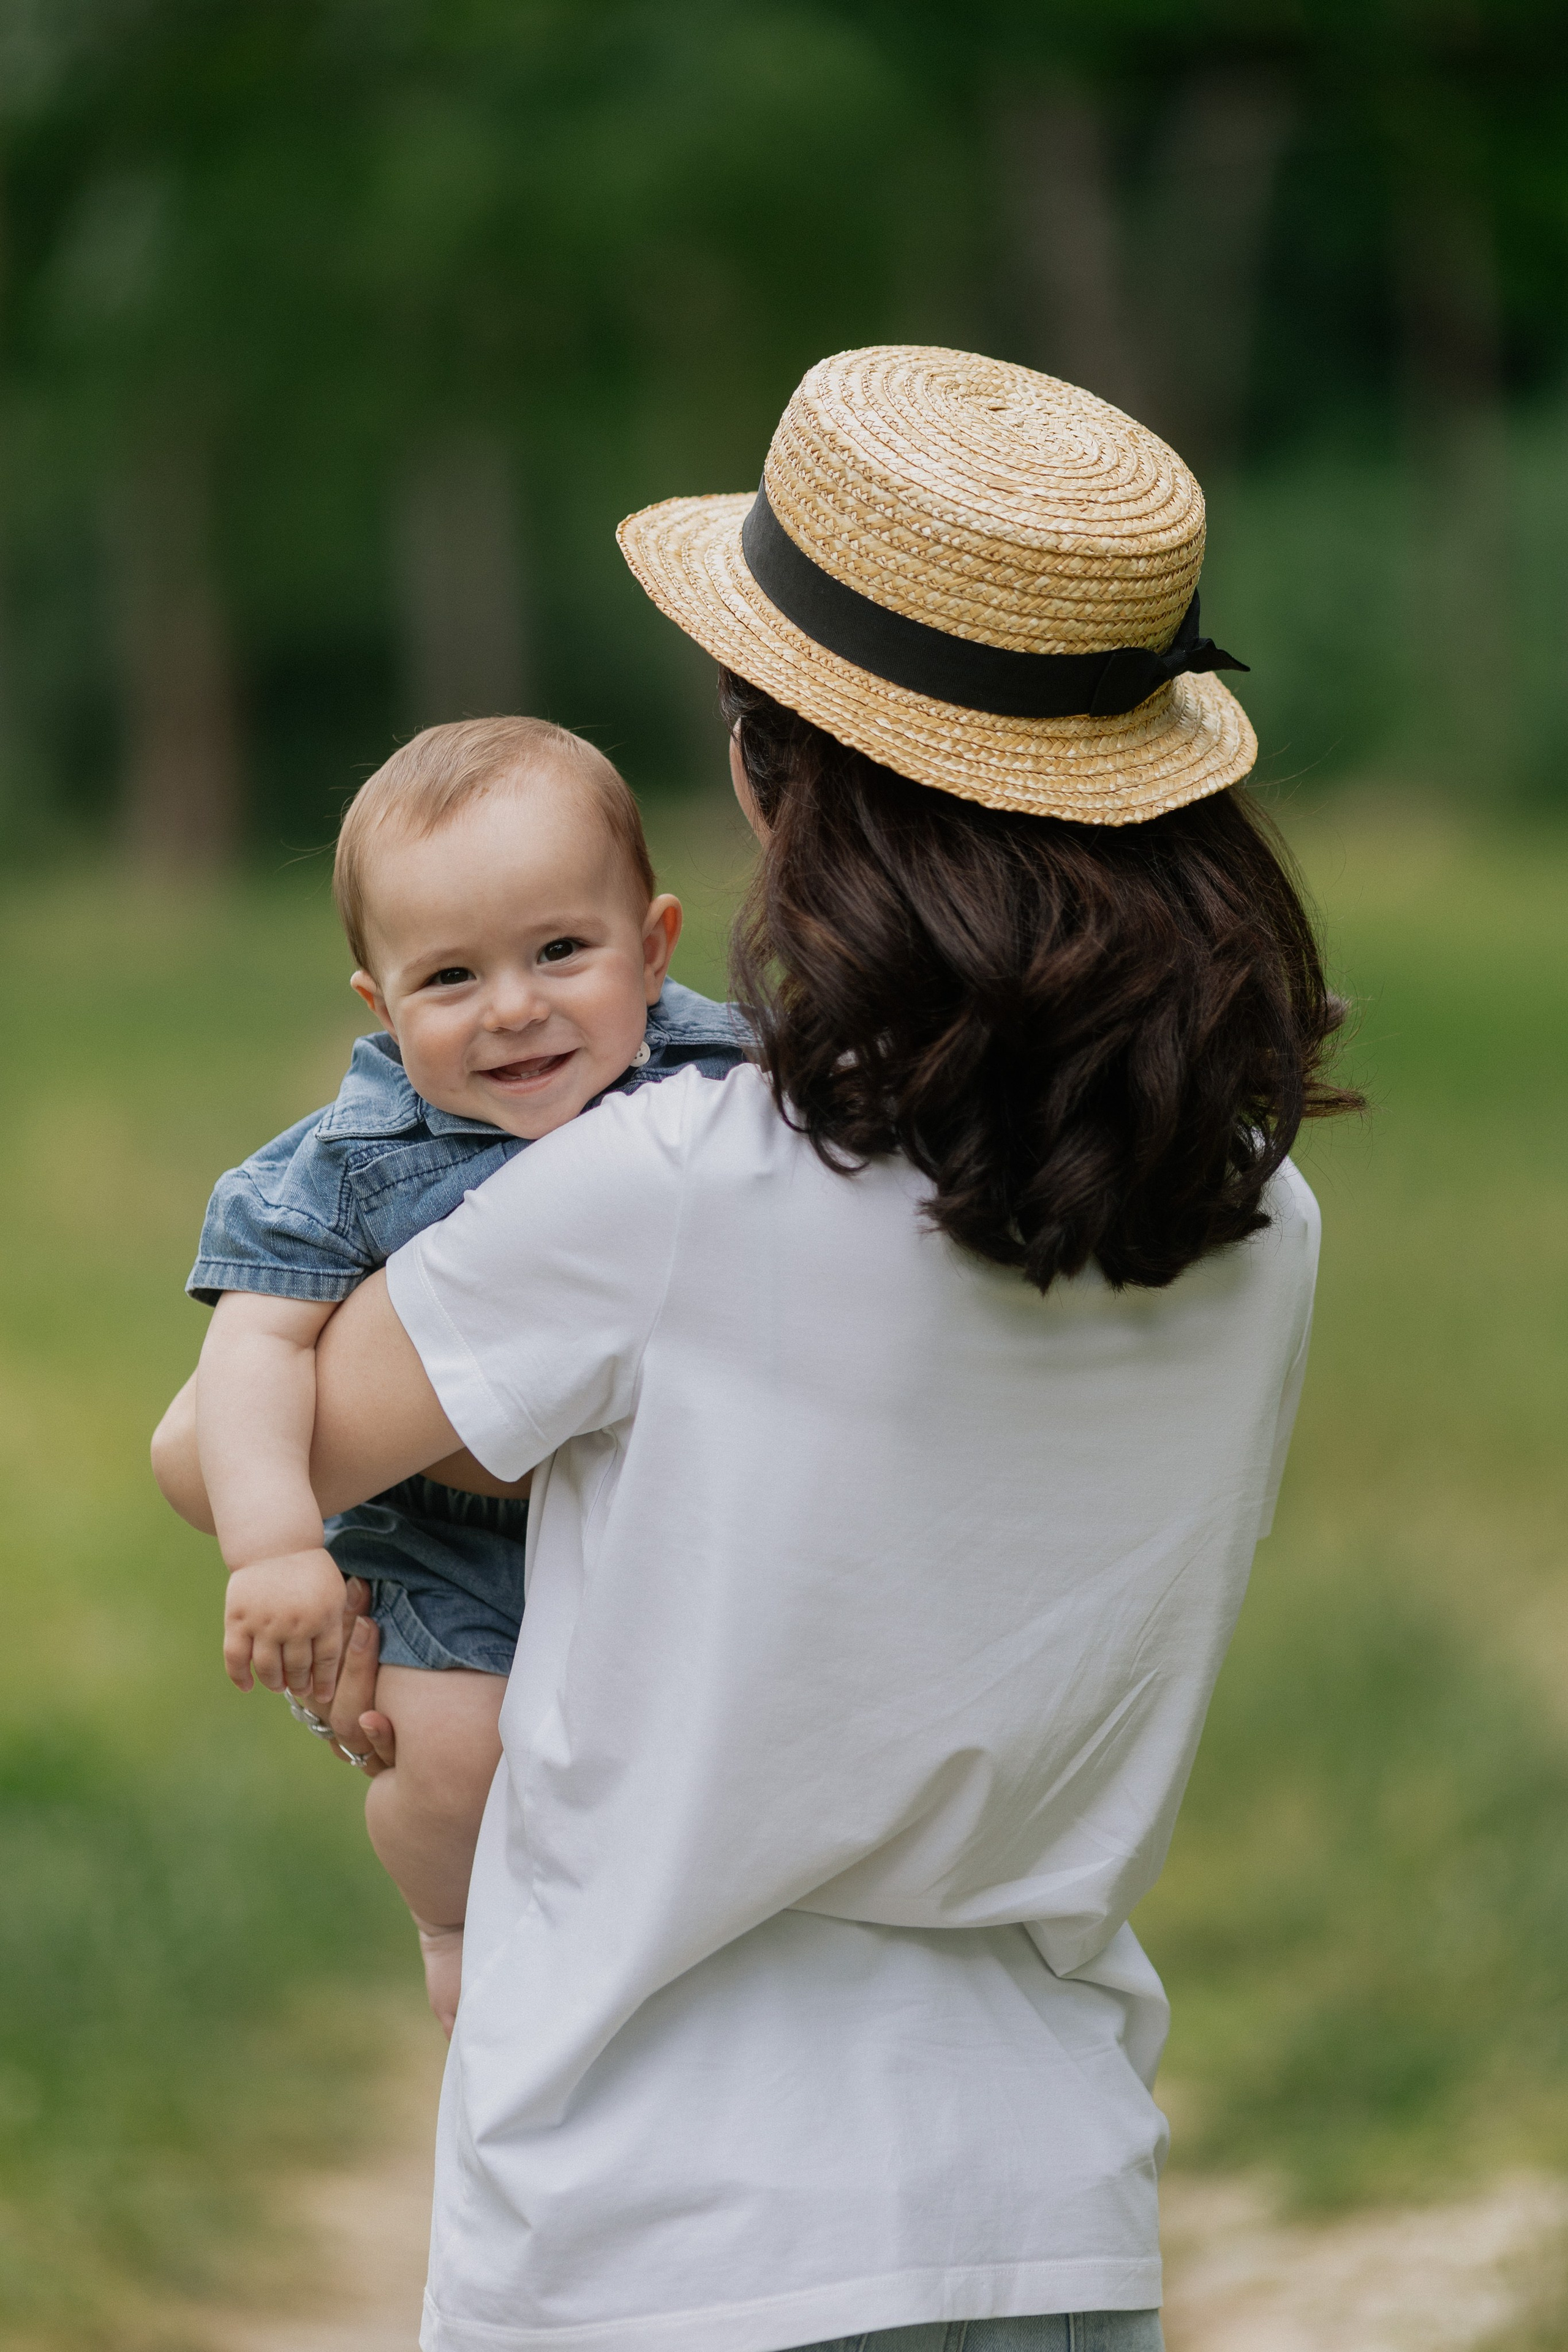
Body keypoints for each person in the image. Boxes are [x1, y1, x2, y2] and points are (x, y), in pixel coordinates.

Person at [160, 347, 1360, 2352]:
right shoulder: (1253, 1210)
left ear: (767, 770)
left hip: (660, 2229)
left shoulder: (673, 1188)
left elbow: (209, 1455)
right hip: (1052, 2208)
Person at [150, 715, 745, 2029]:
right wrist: (274, 1550)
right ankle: (454, 1925)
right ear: (380, 1004)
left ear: (653, 947)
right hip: (448, 1549)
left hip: (661, 1528)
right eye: (451, 978)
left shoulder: (732, 1080)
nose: (514, 1007)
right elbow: (253, 1348)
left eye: (561, 951)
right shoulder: (350, 1164)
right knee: (450, 1753)